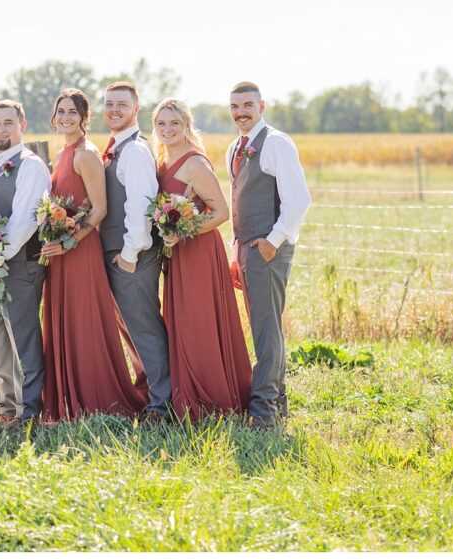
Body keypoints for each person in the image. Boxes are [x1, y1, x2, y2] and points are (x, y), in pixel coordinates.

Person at [40, 89, 148, 422]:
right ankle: (67, 394)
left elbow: (99, 209)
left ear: (85, 118)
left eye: (73, 112)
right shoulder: (61, 153)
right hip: (61, 250)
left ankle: (95, 396)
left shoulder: (86, 154)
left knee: (84, 322)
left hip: (80, 250)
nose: (66, 118)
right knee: (66, 319)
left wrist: (70, 241)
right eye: (61, 112)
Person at [152, 97, 252, 421]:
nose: (167, 129)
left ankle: (213, 400)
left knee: (200, 323)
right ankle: (186, 397)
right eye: (161, 124)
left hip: (198, 252)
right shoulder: (162, 159)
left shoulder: (195, 162)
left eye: (174, 123)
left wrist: (184, 230)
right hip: (177, 254)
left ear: (186, 126)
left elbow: (221, 212)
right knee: (180, 324)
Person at [226, 81, 311, 428]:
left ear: (262, 105)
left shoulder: (276, 142)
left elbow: (299, 200)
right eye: (234, 107)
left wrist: (271, 242)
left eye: (247, 105)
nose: (241, 112)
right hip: (246, 249)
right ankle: (277, 402)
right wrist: (236, 251)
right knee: (264, 326)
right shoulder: (235, 146)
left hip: (268, 249)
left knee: (266, 327)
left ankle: (263, 411)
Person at [0, 100, 50, 427]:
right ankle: (6, 406)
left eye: (8, 122)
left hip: (18, 263)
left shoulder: (30, 165)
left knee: (22, 336)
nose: (1, 129)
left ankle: (29, 409)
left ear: (23, 125)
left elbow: (25, 220)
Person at [100, 81, 170, 422]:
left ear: (136, 109)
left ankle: (162, 405)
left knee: (143, 327)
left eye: (121, 104)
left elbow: (141, 206)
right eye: (109, 103)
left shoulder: (135, 151)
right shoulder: (117, 147)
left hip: (133, 255)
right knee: (132, 328)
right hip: (119, 253)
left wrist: (130, 252)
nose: (114, 109)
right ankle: (150, 394)